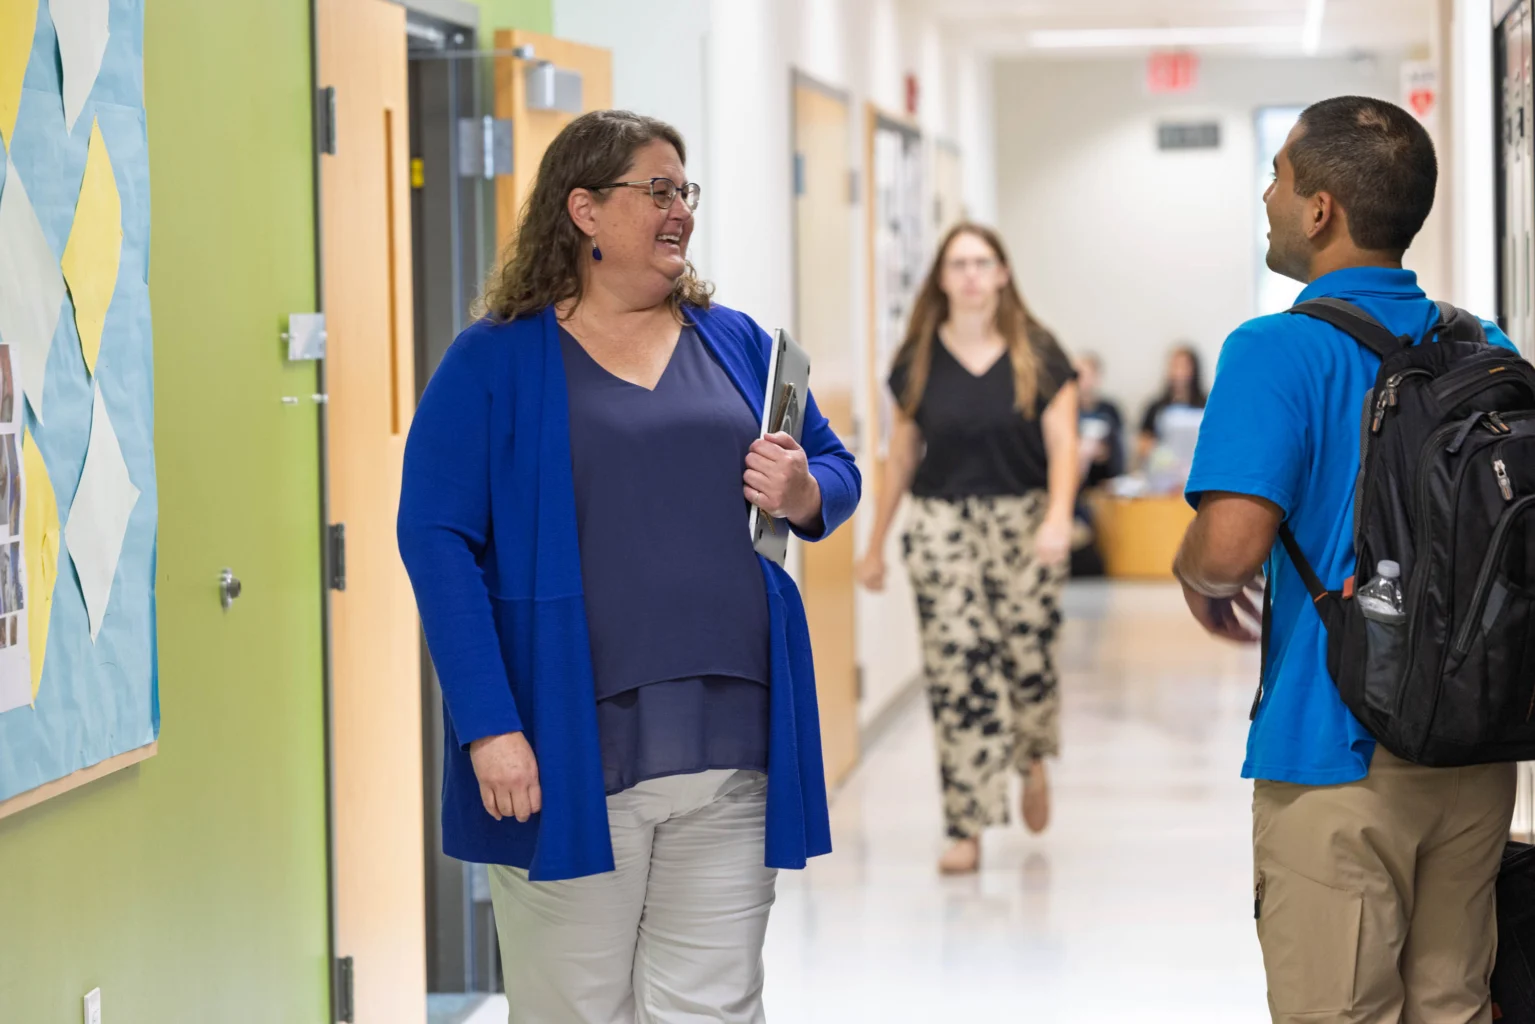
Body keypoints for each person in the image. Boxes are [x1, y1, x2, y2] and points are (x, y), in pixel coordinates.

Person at [397, 110, 860, 1024]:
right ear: (584, 211)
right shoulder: (494, 360)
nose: (679, 208)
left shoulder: (734, 343)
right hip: (566, 746)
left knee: (715, 1005)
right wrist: (488, 725)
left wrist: (803, 491)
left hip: (732, 741)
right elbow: (436, 541)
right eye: (656, 189)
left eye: (684, 190)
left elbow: (833, 469)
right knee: (576, 1008)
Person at [1173, 95, 1518, 1024]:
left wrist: (1190, 569)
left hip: (1336, 748)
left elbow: (1228, 552)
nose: (1268, 196)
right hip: (1475, 749)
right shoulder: (1484, 345)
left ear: (1319, 208)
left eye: (1277, 177)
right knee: (1454, 1006)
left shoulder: (1275, 347)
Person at [855, 222, 1079, 875]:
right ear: (942, 278)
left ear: (1003, 273)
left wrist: (1059, 517)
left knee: (1027, 661)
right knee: (958, 674)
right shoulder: (917, 358)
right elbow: (901, 456)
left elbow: (1063, 443)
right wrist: (873, 546)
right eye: (958, 264)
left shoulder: (1037, 350)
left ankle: (1030, 755)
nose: (972, 275)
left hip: (1024, 520)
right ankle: (967, 824)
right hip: (940, 524)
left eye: (983, 262)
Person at [1071, 353, 1123, 577]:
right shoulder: (1065, 409)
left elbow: (1118, 458)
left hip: (1101, 483)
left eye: (1085, 374)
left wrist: (1103, 455)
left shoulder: (1109, 411)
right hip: (1074, 485)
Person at [1136, 344, 1207, 467]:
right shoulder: (1155, 407)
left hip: (1199, 474)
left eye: (1184, 366)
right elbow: (1142, 446)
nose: (1179, 372)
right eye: (1175, 365)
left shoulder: (1207, 405)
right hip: (1164, 477)